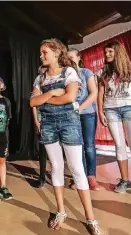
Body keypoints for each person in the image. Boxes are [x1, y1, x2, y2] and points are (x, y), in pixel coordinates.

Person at [30, 39, 102, 234]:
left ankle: (90, 217)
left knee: (77, 169)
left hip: (69, 122)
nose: (41, 56)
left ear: (55, 52)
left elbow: (70, 97)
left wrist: (44, 101)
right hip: (49, 125)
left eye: (44, 52)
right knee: (56, 168)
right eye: (40, 52)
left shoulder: (69, 72)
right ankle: (61, 211)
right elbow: (32, 102)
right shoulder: (40, 78)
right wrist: (52, 93)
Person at [67, 48, 103, 191]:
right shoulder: (67, 76)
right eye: (67, 58)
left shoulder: (86, 72)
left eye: (72, 57)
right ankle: (80, 178)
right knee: (78, 147)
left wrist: (80, 108)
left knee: (88, 146)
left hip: (87, 114)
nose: (69, 60)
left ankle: (91, 178)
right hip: (72, 116)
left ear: (78, 57)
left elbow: (93, 93)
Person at [97, 41, 131, 193]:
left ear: (118, 52)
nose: (107, 55)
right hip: (111, 110)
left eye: (110, 52)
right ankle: (124, 181)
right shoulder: (103, 72)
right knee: (119, 145)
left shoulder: (129, 70)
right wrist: (100, 112)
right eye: (105, 53)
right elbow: (100, 94)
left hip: (129, 108)